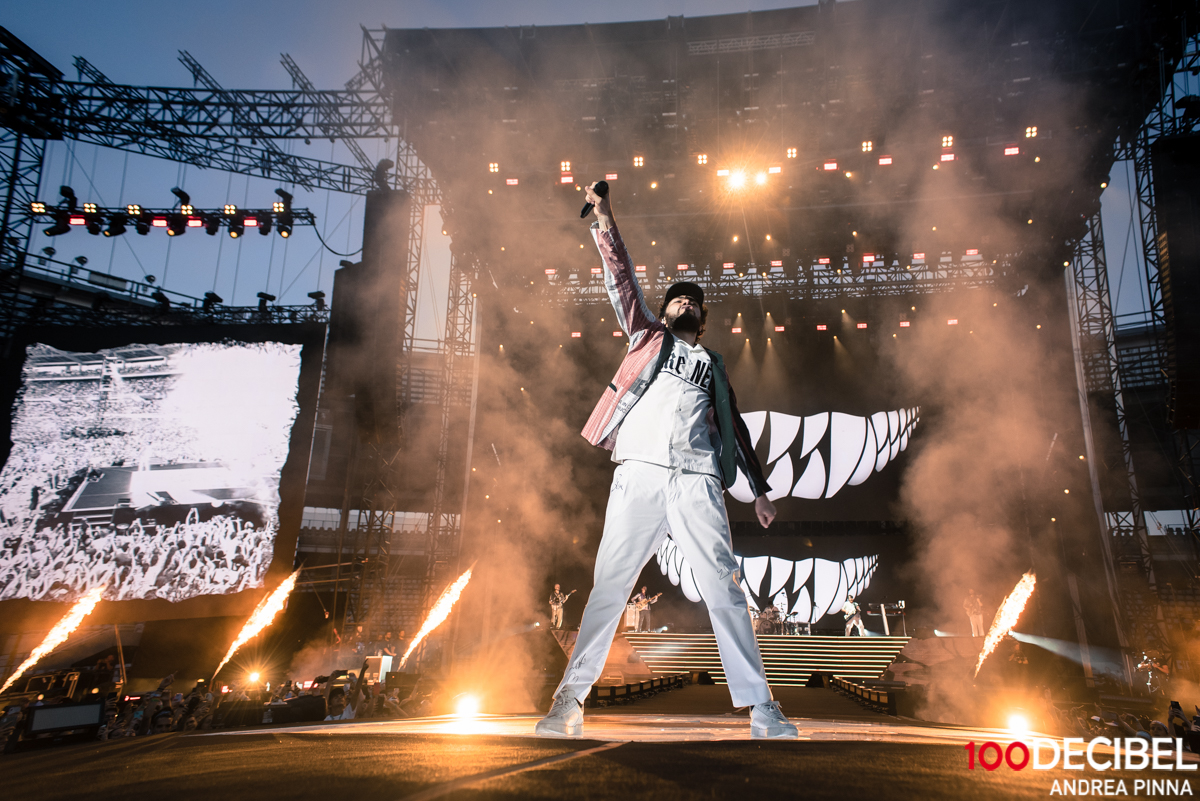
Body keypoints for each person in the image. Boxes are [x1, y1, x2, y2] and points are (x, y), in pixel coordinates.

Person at [536, 183, 797, 740]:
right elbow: (622, 281)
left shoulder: (713, 365)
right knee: (610, 582)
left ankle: (761, 708)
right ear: (664, 310)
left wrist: (760, 490)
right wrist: (604, 219)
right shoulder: (646, 339)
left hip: (699, 481)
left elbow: (738, 429)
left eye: (691, 301)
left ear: (701, 318)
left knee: (725, 587)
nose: (683, 302)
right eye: (675, 298)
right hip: (641, 472)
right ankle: (569, 700)